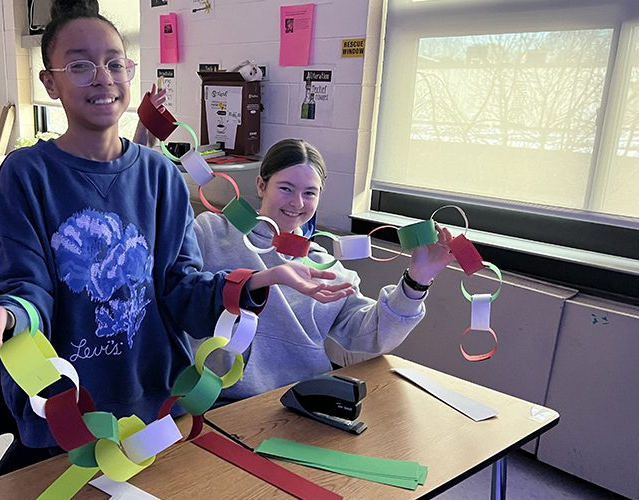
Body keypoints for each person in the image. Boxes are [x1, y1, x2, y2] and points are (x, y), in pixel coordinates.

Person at [0, 0, 352, 453]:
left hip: (159, 403)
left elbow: (180, 288)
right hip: (69, 412)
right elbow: (29, 287)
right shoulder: (27, 175)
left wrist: (262, 278)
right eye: (80, 65)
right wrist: (7, 314)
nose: (103, 77)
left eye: (115, 63)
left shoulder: (160, 176)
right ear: (50, 82)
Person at [191, 138, 455, 403]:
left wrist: (417, 279)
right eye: (286, 188)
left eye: (309, 193)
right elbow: (176, 292)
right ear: (261, 185)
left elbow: (371, 335)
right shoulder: (212, 233)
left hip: (298, 403)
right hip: (218, 401)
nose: (297, 202)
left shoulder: (324, 269)